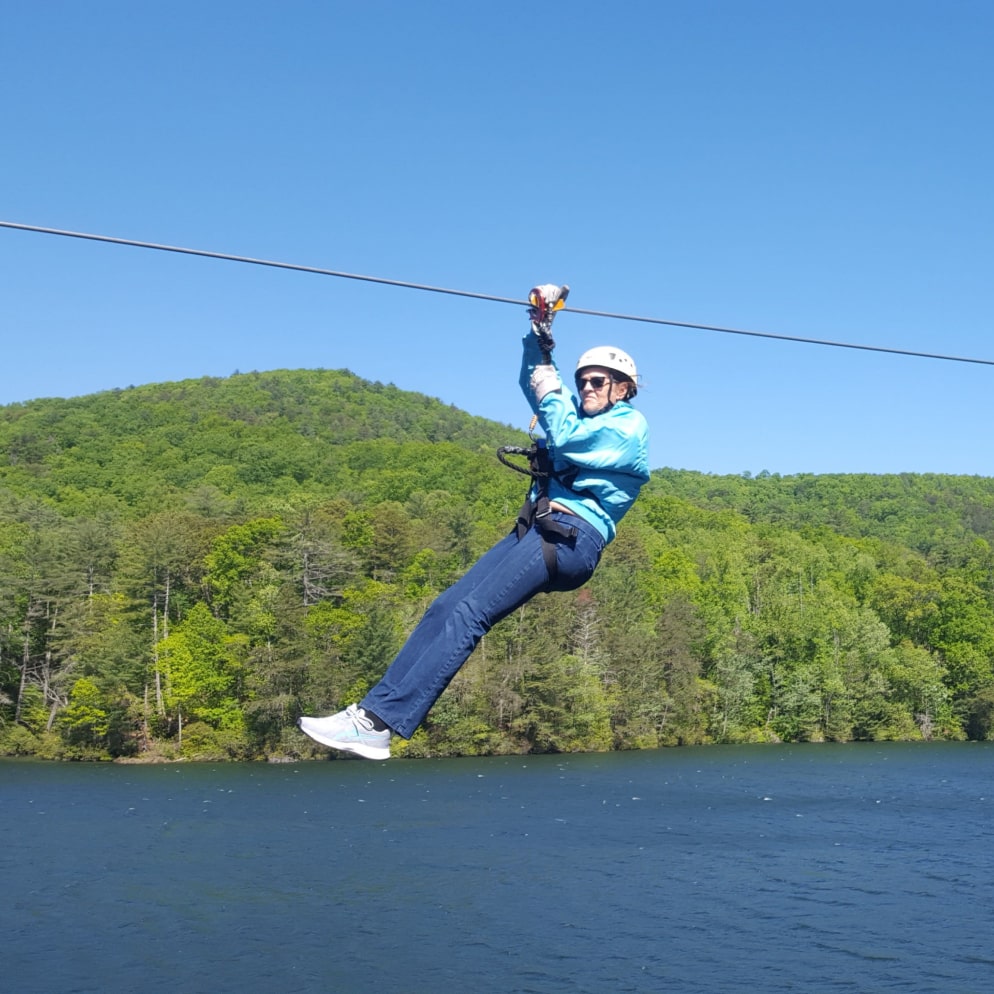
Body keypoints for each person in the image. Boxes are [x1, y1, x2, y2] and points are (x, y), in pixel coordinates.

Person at [298, 284, 650, 759]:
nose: (586, 388)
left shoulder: (629, 427)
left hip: (569, 540)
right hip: (539, 529)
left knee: (470, 614)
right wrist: (538, 333)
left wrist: (552, 391)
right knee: (445, 607)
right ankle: (370, 715)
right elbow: (537, 383)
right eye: (582, 380)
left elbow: (563, 435)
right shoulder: (584, 418)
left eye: (598, 382)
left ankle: (381, 723)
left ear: (623, 389)